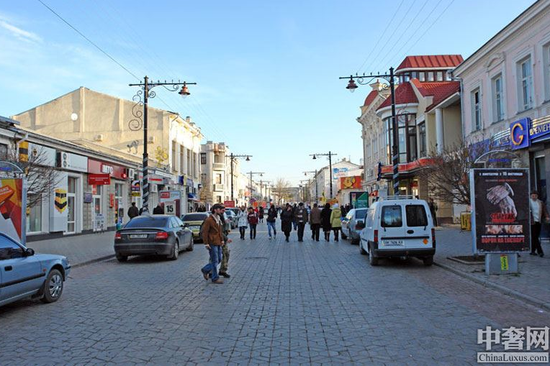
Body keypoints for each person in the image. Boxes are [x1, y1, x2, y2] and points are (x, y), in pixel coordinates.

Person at [200, 204, 225, 284]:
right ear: (215, 210)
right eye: (219, 209)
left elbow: (220, 231)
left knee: (219, 259)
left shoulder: (218, 218)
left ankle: (205, 269)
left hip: (218, 242)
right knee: (214, 260)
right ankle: (215, 278)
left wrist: (222, 240)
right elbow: (205, 232)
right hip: (212, 242)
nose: (220, 211)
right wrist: (206, 243)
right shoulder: (209, 220)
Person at [530, 190, 549, 257]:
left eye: (535, 195)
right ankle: (540, 251)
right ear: (530, 196)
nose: (534, 197)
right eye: (532, 195)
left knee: (535, 237)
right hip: (531, 222)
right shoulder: (528, 202)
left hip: (538, 221)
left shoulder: (540, 202)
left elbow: (544, 210)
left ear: (537, 196)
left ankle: (532, 251)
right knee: (534, 237)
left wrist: (547, 217)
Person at [219, 206, 233, 278]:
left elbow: (224, 228)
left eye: (224, 210)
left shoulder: (222, 216)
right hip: (218, 240)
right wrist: (226, 238)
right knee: (215, 257)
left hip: (223, 239)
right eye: (222, 210)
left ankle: (223, 270)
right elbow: (219, 231)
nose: (223, 211)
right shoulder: (217, 218)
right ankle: (209, 270)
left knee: (226, 254)